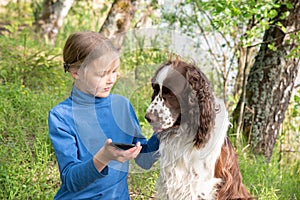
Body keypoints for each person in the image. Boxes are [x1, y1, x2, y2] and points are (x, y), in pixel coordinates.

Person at [48, 31, 160, 199]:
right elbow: (71, 180)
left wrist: (165, 131)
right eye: (102, 74)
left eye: (114, 71)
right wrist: (103, 157)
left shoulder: (121, 106)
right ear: (76, 72)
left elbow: (144, 160)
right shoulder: (61, 116)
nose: (111, 80)